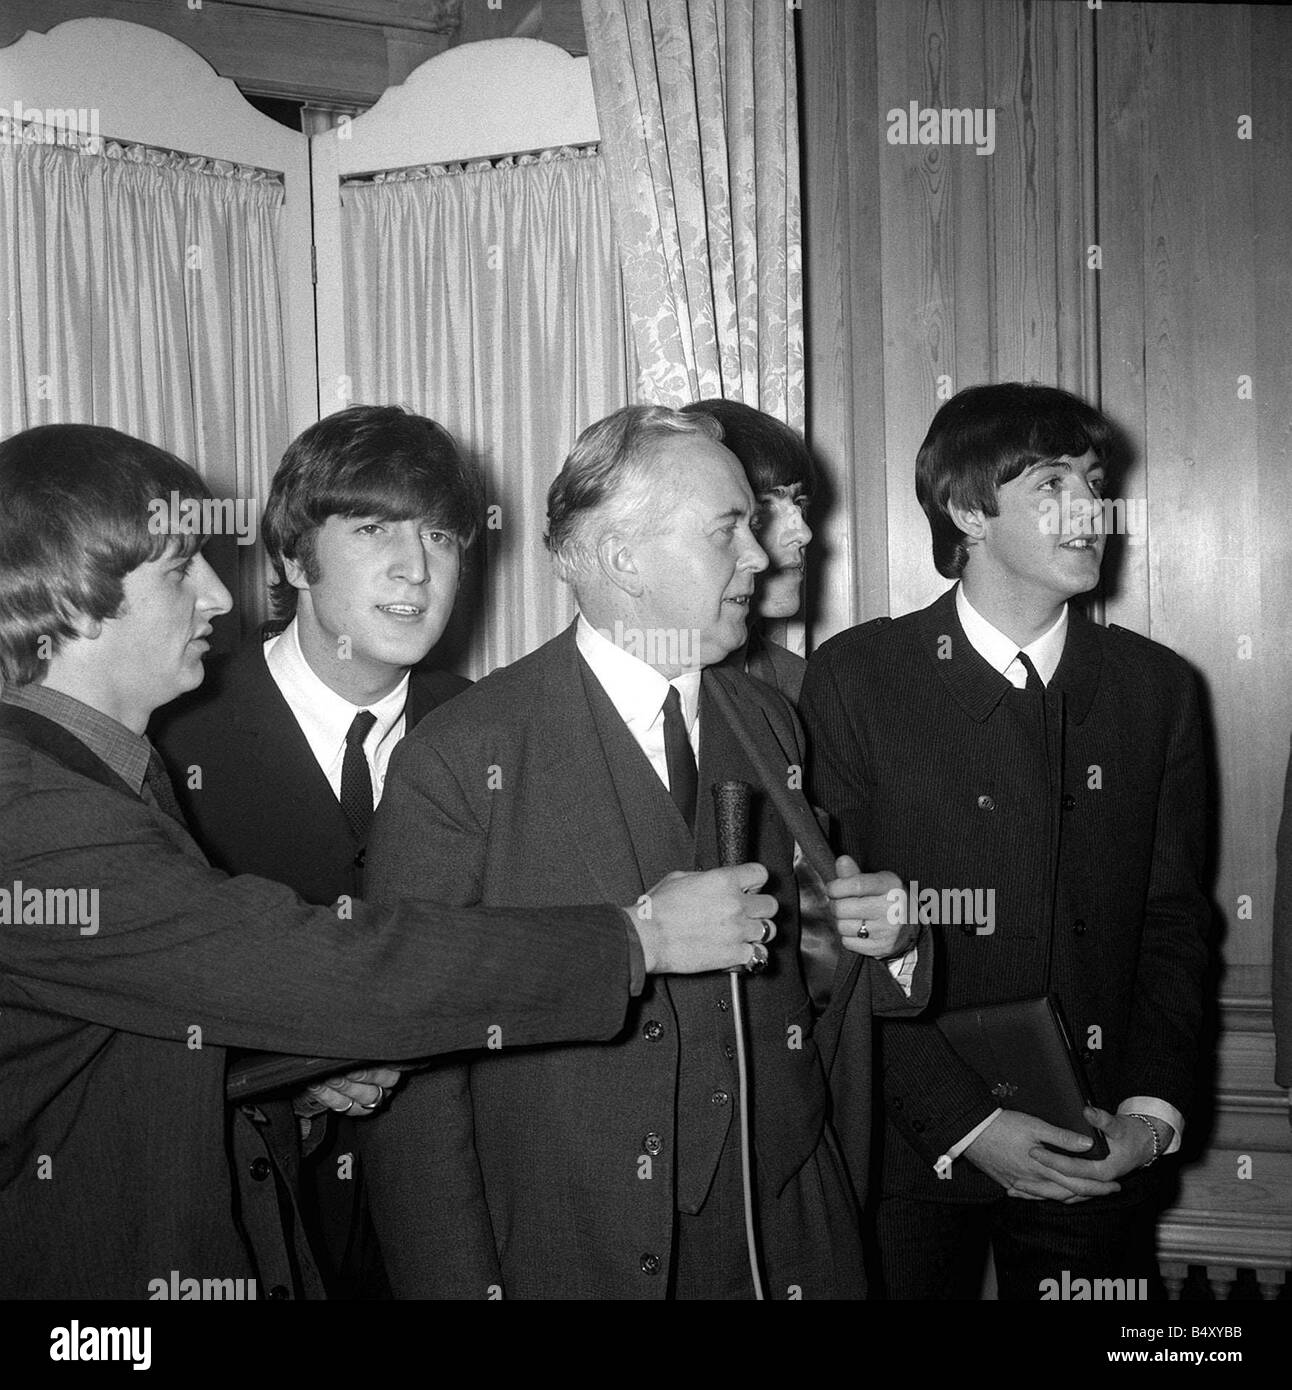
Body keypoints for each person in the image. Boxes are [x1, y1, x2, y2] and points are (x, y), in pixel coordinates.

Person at [0, 422, 778, 1301]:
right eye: (181, 569)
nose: (220, 596)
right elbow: (297, 965)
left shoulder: (101, 770)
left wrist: (297, 1077)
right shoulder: (33, 807)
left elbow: (134, 1027)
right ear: (67, 591)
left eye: (441, 537)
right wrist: (634, 939)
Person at [359, 404, 924, 1299]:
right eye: (727, 531)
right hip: (576, 1247)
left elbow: (802, 974)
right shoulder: (462, 755)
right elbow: (412, 1059)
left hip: (788, 1233)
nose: (761, 556)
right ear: (624, 558)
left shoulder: (769, 717)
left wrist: (873, 940)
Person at [799, 383, 1211, 1299]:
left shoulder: (1156, 690)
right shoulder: (858, 679)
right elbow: (832, 941)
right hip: (907, 1152)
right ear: (965, 510)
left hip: (1093, 1151)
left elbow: (1174, 923)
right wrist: (971, 1127)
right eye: (1052, 484)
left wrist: (1147, 1118)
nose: (1090, 512)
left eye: (1096, 482)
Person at [153, 405, 478, 1297]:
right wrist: (280, 1075)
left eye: (442, 535)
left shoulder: (489, 728)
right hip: (245, 1230)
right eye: (374, 529)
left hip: (454, 1227)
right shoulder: (173, 738)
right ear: (294, 559)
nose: (416, 568)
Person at [682, 399, 815, 704]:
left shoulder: (802, 687)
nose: (804, 533)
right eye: (766, 505)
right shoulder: (644, 679)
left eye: (800, 503)